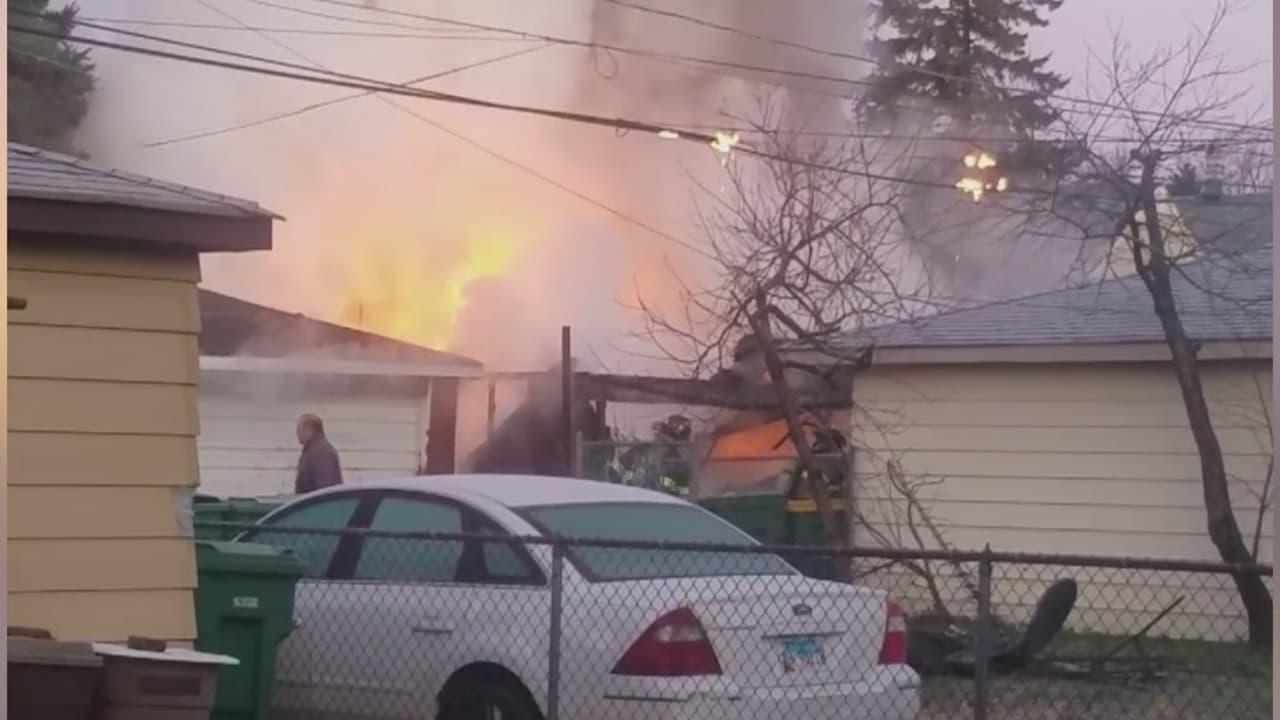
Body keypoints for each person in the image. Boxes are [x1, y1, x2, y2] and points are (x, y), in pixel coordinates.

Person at [294, 413, 343, 495]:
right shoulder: (314, 450)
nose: (297, 433)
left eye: (299, 429)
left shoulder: (321, 453)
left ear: (309, 430)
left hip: (318, 506)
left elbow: (325, 488)